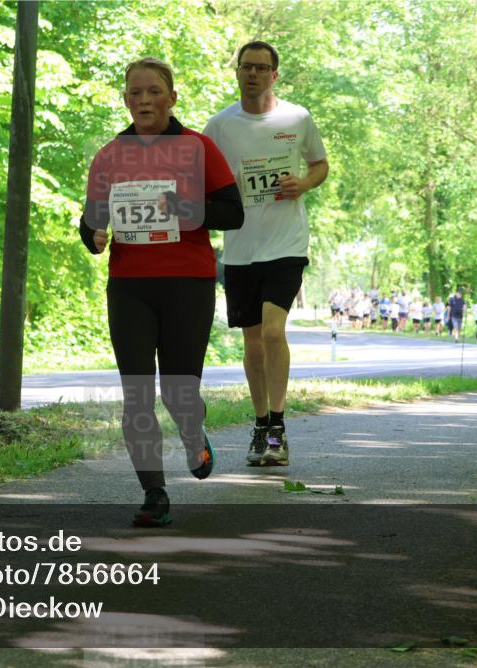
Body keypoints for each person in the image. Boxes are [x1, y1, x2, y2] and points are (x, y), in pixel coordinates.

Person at [80, 57, 243, 526]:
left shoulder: (199, 148)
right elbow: (91, 218)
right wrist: (93, 234)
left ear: (172, 98)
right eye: (135, 92)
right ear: (126, 99)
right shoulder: (110, 155)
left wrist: (185, 206)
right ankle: (155, 493)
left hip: (187, 284)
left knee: (178, 392)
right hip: (130, 286)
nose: (144, 100)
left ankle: (193, 432)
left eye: (154, 92)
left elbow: (233, 213)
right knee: (136, 394)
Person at [203, 40, 328, 467]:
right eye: (246, 67)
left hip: (286, 243)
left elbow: (320, 164)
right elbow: (201, 181)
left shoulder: (297, 118)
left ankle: (277, 426)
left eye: (261, 67)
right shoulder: (218, 127)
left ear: (275, 74)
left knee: (274, 332)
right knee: (253, 342)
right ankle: (260, 425)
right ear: (236, 72)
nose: (252, 74)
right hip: (240, 248)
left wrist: (304, 184)